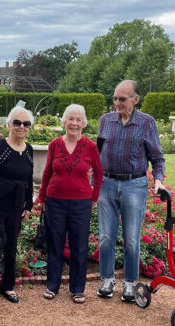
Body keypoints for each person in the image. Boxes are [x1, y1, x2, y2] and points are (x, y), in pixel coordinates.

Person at [96, 80, 165, 302]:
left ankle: (129, 282)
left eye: (122, 99)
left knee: (132, 238)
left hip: (134, 185)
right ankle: (107, 279)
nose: (117, 103)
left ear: (135, 99)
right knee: (106, 237)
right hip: (106, 184)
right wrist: (92, 181)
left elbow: (157, 157)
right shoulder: (105, 121)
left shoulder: (147, 123)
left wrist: (158, 180)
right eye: (115, 98)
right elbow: (96, 154)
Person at [37, 104, 103, 304]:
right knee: (55, 245)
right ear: (64, 122)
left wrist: (94, 198)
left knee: (79, 246)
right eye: (70, 119)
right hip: (55, 201)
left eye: (78, 119)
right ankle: (52, 286)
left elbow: (99, 174)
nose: (74, 123)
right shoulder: (54, 144)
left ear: (83, 123)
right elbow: (47, 172)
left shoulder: (91, 146)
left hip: (80, 203)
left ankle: (77, 288)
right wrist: (41, 198)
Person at [0, 106, 34, 310]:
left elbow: (28, 179)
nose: (21, 127)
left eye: (25, 123)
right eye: (17, 123)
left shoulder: (28, 150)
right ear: (9, 125)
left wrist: (28, 205)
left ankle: (8, 285)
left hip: (16, 207)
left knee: (11, 248)